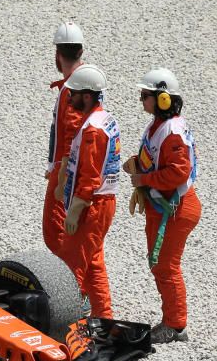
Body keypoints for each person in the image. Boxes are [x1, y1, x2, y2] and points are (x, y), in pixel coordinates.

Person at [123, 68, 200, 344]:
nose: (141, 99)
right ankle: (172, 321)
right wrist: (137, 163)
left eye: (145, 95)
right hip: (166, 208)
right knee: (159, 265)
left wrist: (142, 178)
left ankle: (176, 326)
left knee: (166, 267)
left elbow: (178, 173)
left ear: (164, 99)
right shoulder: (159, 125)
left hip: (175, 209)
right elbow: (155, 159)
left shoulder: (171, 131)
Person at [54, 64, 120, 319]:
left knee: (72, 266)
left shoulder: (92, 128)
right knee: (93, 263)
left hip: (92, 206)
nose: (69, 97)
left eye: (75, 93)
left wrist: (75, 209)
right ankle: (103, 318)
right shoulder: (103, 120)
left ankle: (68, 325)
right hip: (100, 203)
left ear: (88, 95)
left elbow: (91, 176)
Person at [43, 22, 88, 281]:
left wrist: (61, 177)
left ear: (58, 54)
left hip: (66, 170)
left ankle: (72, 290)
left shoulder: (72, 88)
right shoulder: (81, 82)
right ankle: (79, 290)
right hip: (68, 168)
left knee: (57, 233)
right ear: (81, 50)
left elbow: (70, 136)